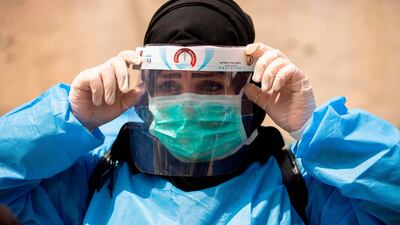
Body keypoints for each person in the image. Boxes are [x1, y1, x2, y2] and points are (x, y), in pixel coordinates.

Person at [1, 0, 399, 224]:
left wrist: (313, 127)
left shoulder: (300, 186)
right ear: (147, 94)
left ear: (249, 94)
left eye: (210, 85)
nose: (188, 104)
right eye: (170, 86)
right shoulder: (95, 179)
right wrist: (69, 118)